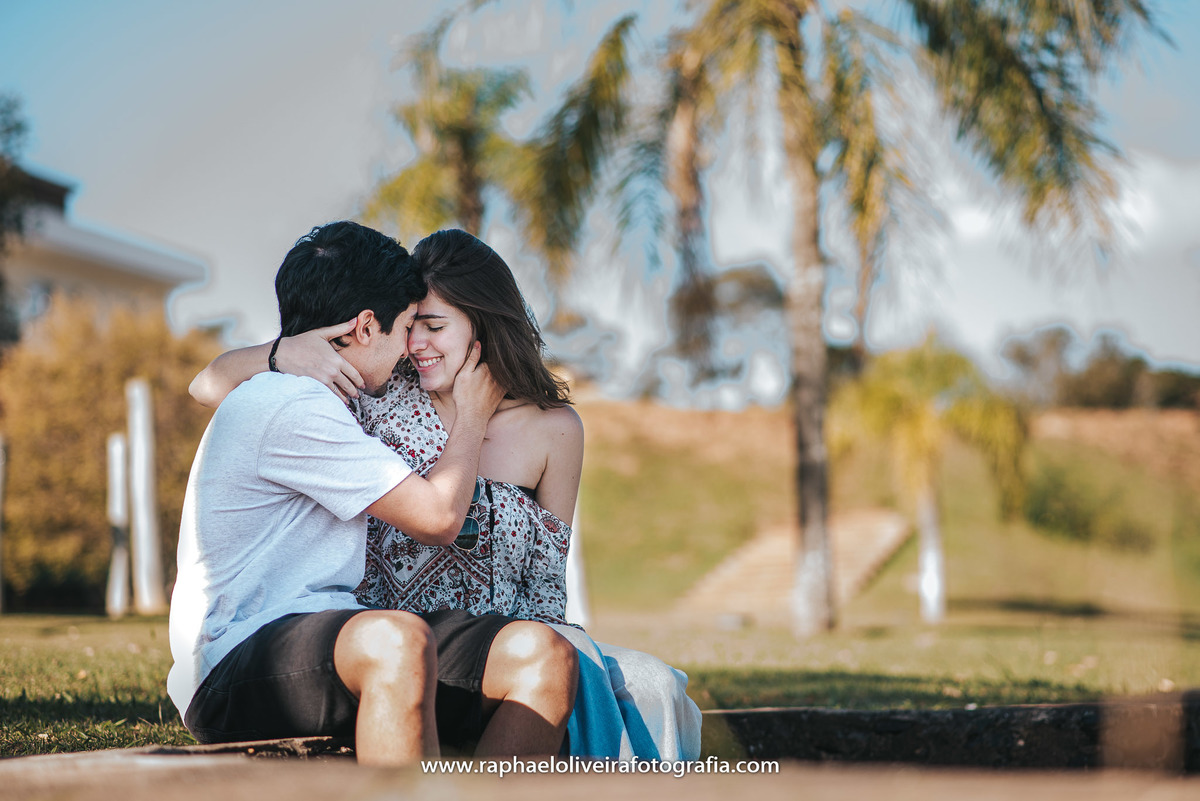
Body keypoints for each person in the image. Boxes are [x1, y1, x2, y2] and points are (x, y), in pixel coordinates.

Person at [191, 229, 702, 761]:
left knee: (655, 685)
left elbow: (548, 584)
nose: (415, 344)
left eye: (433, 326)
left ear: (482, 324)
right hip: (379, 634)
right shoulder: (377, 393)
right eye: (411, 326)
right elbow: (209, 386)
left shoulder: (555, 430)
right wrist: (285, 351)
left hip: (503, 638)